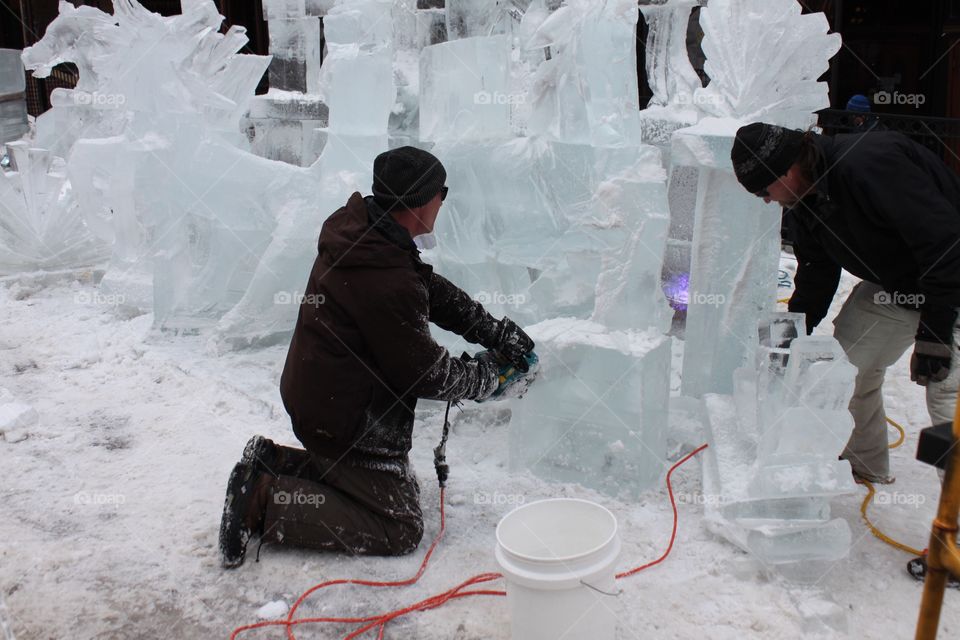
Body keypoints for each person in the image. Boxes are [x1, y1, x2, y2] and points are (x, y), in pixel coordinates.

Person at [218, 146, 536, 568]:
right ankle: (264, 501)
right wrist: (488, 378)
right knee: (400, 526)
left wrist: (490, 329)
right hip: (342, 420)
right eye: (442, 191)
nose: (444, 199)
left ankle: (273, 462)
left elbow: (428, 290)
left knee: (389, 488)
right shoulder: (384, 277)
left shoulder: (368, 234)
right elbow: (426, 373)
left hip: (322, 397)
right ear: (422, 202)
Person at [730, 123, 960, 485]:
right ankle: (864, 463)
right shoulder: (803, 198)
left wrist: (935, 334)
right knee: (845, 370)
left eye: (763, 189)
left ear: (787, 169)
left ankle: (954, 525)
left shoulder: (869, 165)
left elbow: (943, 243)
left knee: (947, 400)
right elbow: (817, 271)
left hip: (952, 281)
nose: (765, 199)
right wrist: (791, 333)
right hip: (899, 286)